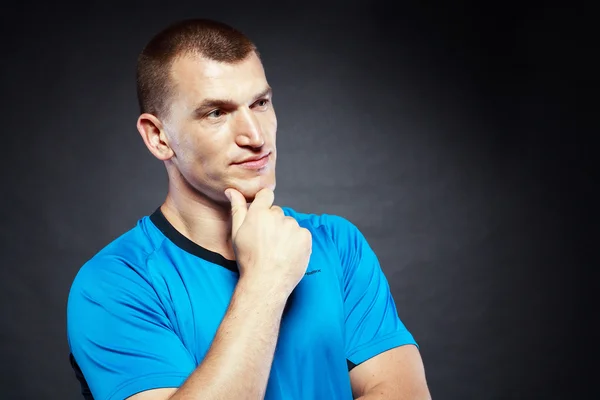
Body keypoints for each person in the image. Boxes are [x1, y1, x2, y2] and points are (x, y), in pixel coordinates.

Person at [66, 18, 431, 400]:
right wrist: (264, 283)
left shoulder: (337, 245)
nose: (255, 137)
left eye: (260, 104)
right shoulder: (113, 285)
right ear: (159, 138)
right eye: (216, 113)